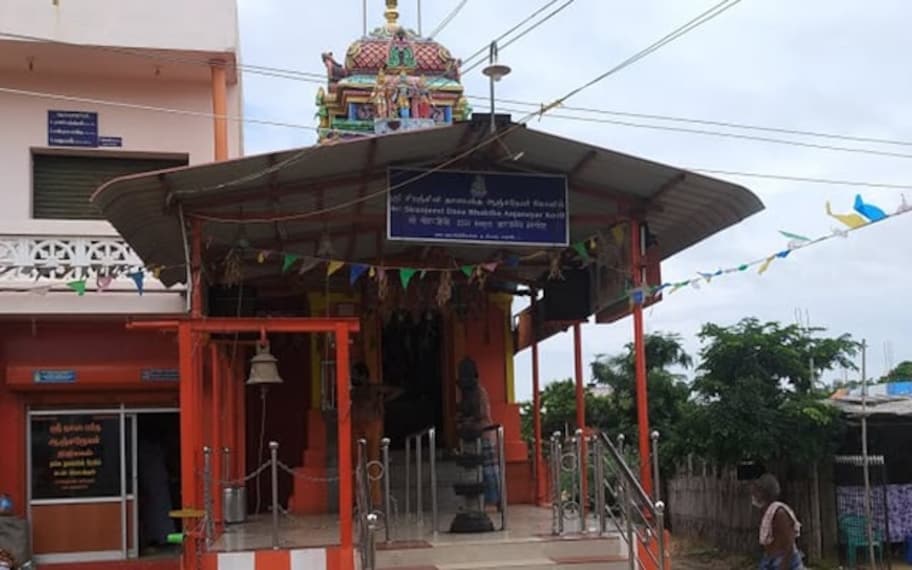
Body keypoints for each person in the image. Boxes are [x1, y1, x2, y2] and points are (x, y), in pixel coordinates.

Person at [350, 362, 401, 506]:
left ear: (363, 376)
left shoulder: (374, 389)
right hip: (356, 428)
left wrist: (382, 400)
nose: (352, 377)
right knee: (356, 464)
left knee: (373, 464)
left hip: (372, 426)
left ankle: (375, 501)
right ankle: (357, 500)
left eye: (354, 373)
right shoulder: (352, 392)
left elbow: (397, 391)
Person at [455, 358, 500, 513]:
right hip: (471, 434)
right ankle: (480, 502)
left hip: (484, 432)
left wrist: (467, 420)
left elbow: (481, 414)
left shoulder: (479, 392)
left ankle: (494, 501)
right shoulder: (466, 392)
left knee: (489, 471)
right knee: (475, 470)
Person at [752, 473, 804, 570]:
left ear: (765, 493)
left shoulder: (779, 513)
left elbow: (789, 541)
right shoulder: (767, 511)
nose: (754, 494)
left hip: (783, 561)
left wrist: (784, 565)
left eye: (757, 491)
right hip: (769, 559)